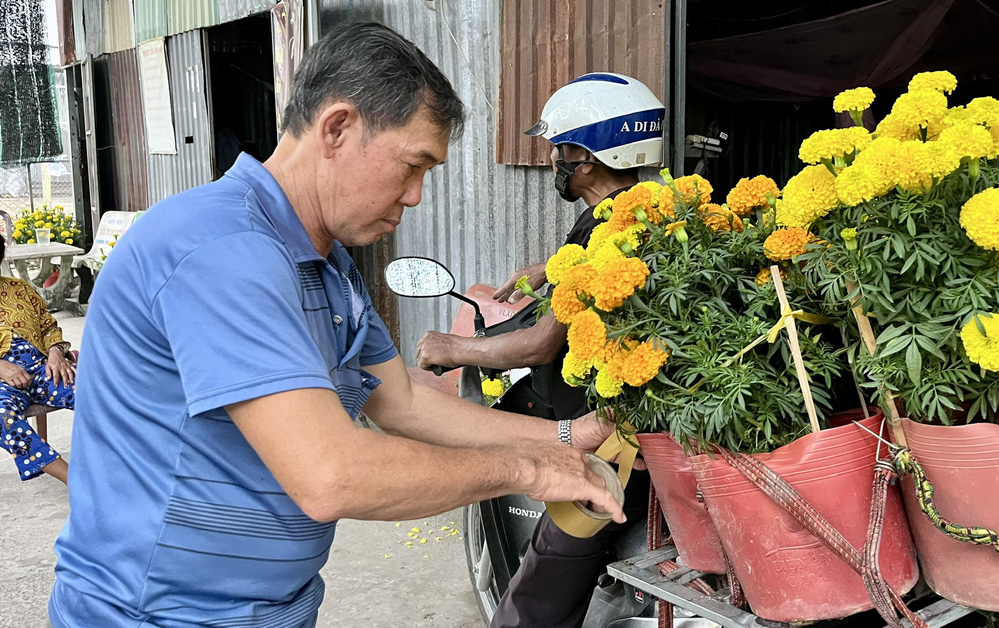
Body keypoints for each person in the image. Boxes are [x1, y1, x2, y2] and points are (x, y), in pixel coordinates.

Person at [49, 22, 623, 628]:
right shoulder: (219, 249)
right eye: (412, 166)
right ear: (337, 128)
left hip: (272, 609)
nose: (417, 197)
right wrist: (532, 470)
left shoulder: (328, 265)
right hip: (156, 615)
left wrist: (568, 438)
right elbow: (331, 474)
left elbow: (401, 402)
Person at [415, 72, 666, 628]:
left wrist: (451, 347)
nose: (554, 159)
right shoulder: (648, 209)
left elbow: (540, 342)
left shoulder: (604, 228)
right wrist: (544, 270)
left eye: (560, 148)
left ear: (589, 155)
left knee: (544, 580)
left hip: (609, 437)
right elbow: (595, 272)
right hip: (645, 420)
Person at [0, 237, 74, 485]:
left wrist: (55, 353)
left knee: (97, 392)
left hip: (43, 368)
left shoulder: (17, 288)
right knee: (3, 416)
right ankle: (76, 481)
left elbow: (48, 326)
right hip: (2, 382)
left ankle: (132, 464)